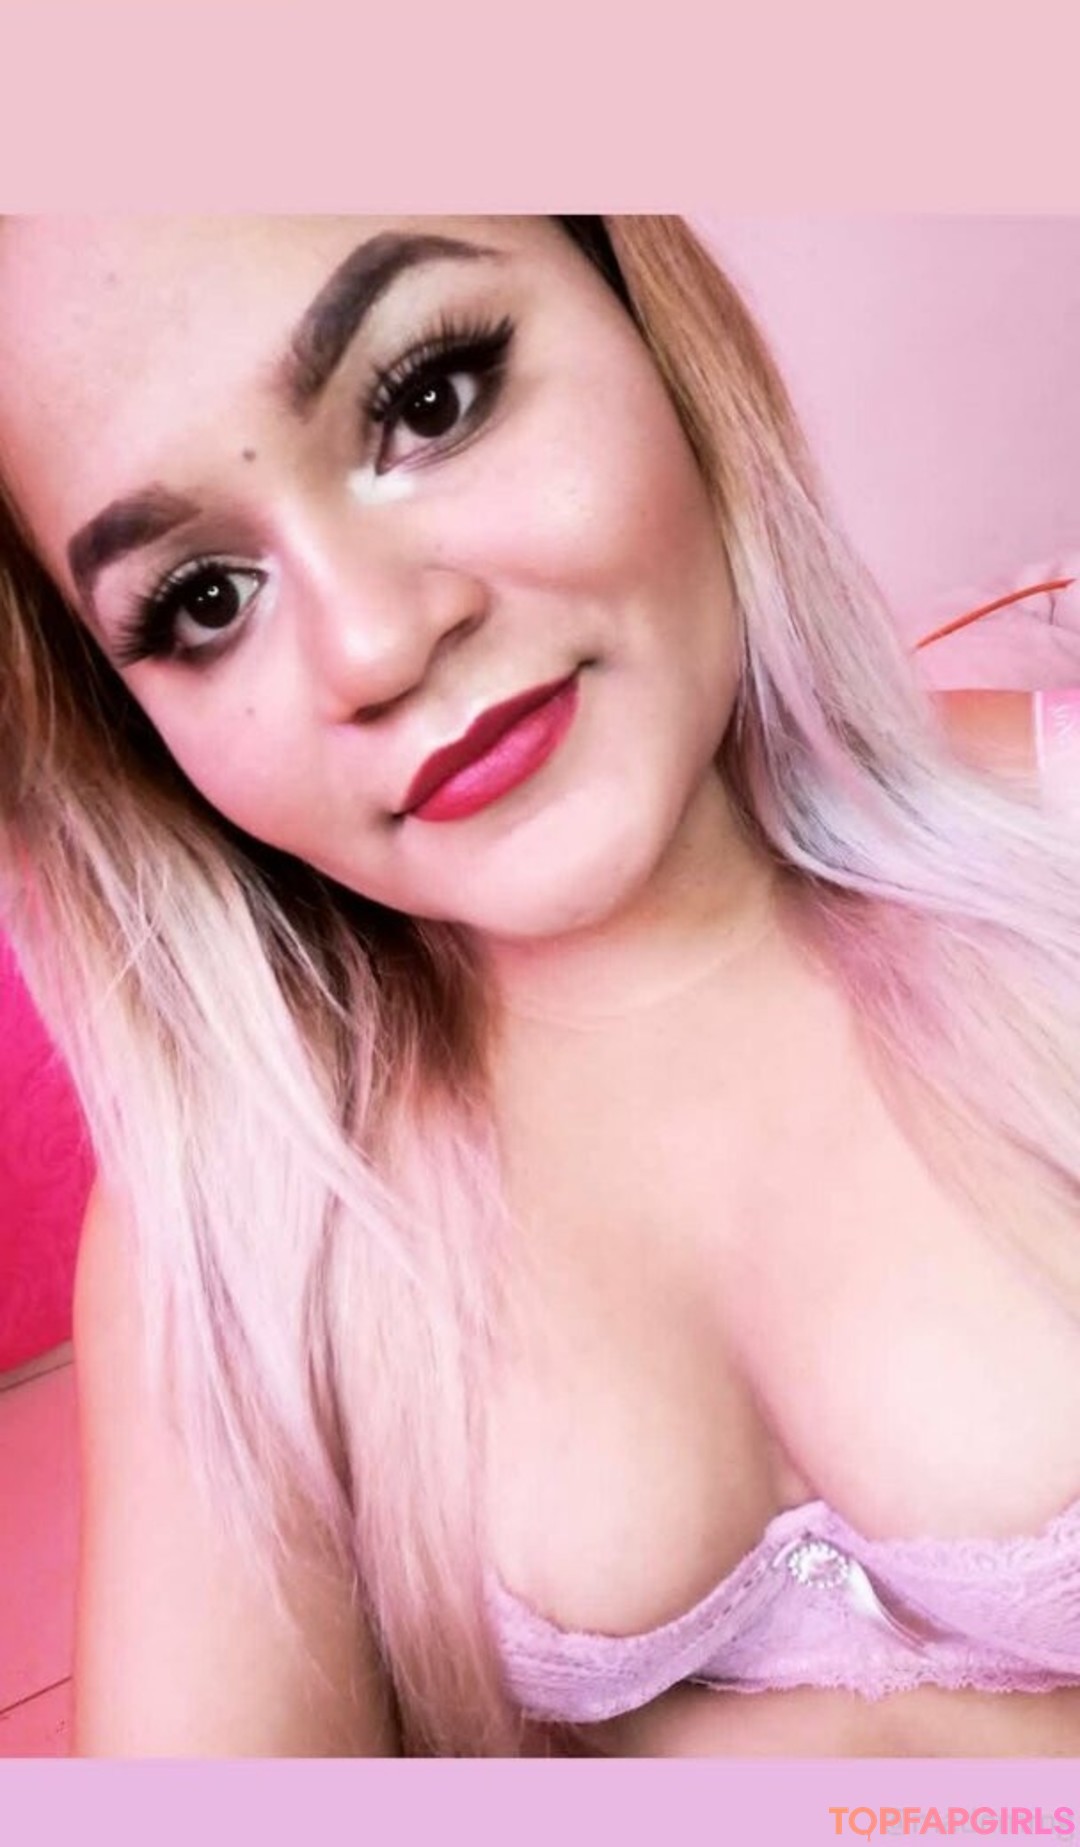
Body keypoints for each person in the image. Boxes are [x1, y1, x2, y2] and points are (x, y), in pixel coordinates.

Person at [0, 215, 1079, 1760]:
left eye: (428, 399)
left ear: (640, 308)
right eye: (208, 599)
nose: (375, 644)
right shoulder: (242, 1220)